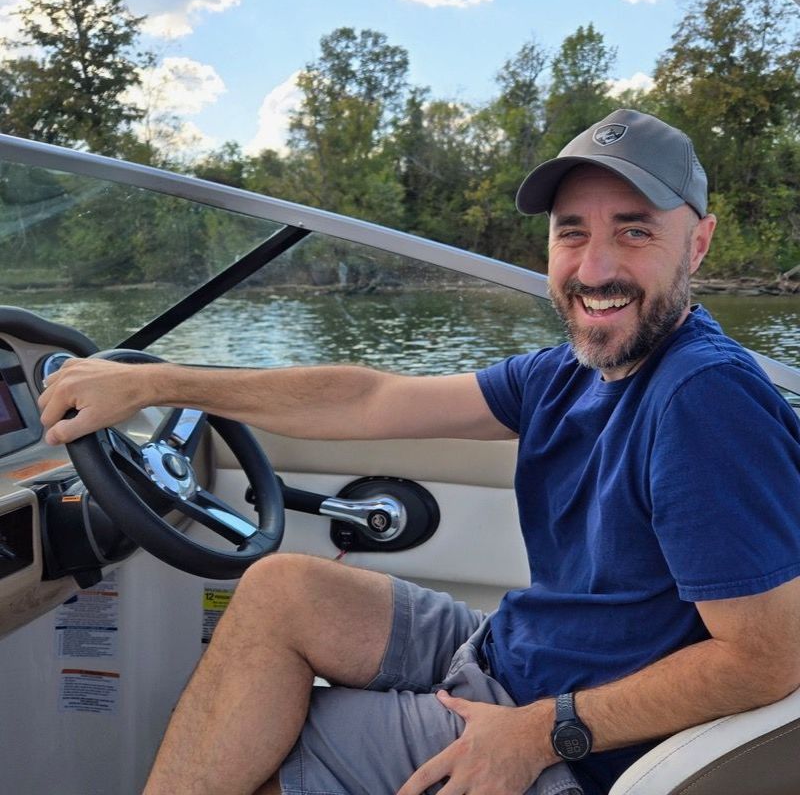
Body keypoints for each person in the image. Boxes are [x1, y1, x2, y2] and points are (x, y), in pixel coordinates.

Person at [38, 110, 800, 795]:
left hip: (570, 738)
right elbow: (370, 399)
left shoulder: (704, 398)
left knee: (260, 757)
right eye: (573, 232)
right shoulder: (568, 371)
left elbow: (768, 660)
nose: (595, 268)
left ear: (697, 241)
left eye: (634, 230)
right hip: (514, 651)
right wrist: (154, 383)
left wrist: (539, 734)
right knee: (279, 591)